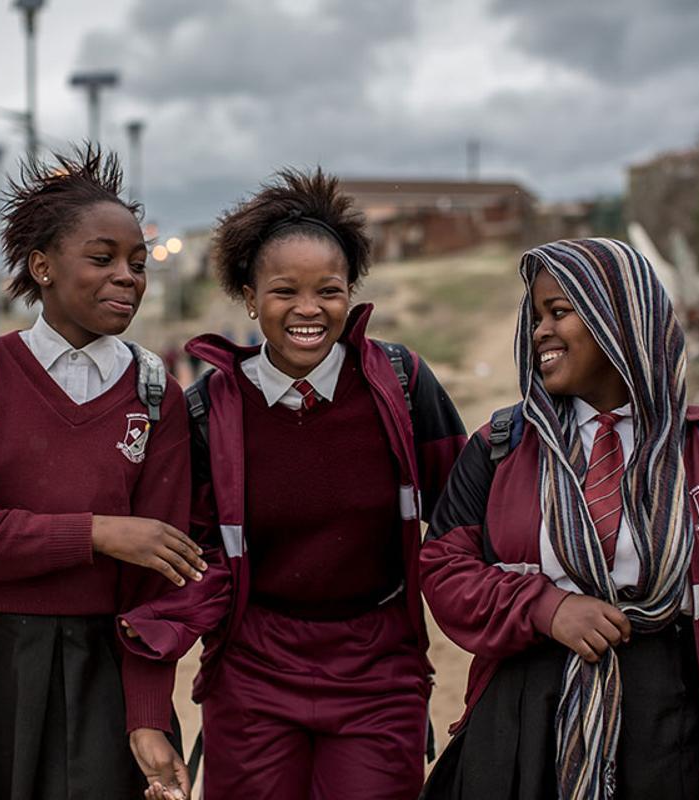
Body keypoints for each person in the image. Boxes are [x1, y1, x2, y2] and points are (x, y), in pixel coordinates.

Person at [119, 168, 467, 799]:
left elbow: (467, 526)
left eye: (328, 290)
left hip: (378, 668)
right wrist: (147, 708)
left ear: (351, 291)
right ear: (250, 297)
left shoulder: (405, 387)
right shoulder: (208, 413)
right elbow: (182, 565)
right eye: (284, 291)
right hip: (253, 671)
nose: (309, 310)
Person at [419, 238, 699, 800]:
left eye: (559, 312)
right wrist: (547, 607)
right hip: (521, 728)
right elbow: (444, 569)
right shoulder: (501, 447)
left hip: (665, 727)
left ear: (618, 318)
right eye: (536, 315)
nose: (539, 331)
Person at [0, 146, 205, 800]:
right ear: (42, 267)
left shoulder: (155, 395)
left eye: (138, 263)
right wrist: (96, 533)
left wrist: (148, 715)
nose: (128, 277)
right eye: (102, 258)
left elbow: (161, 580)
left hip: (104, 673)